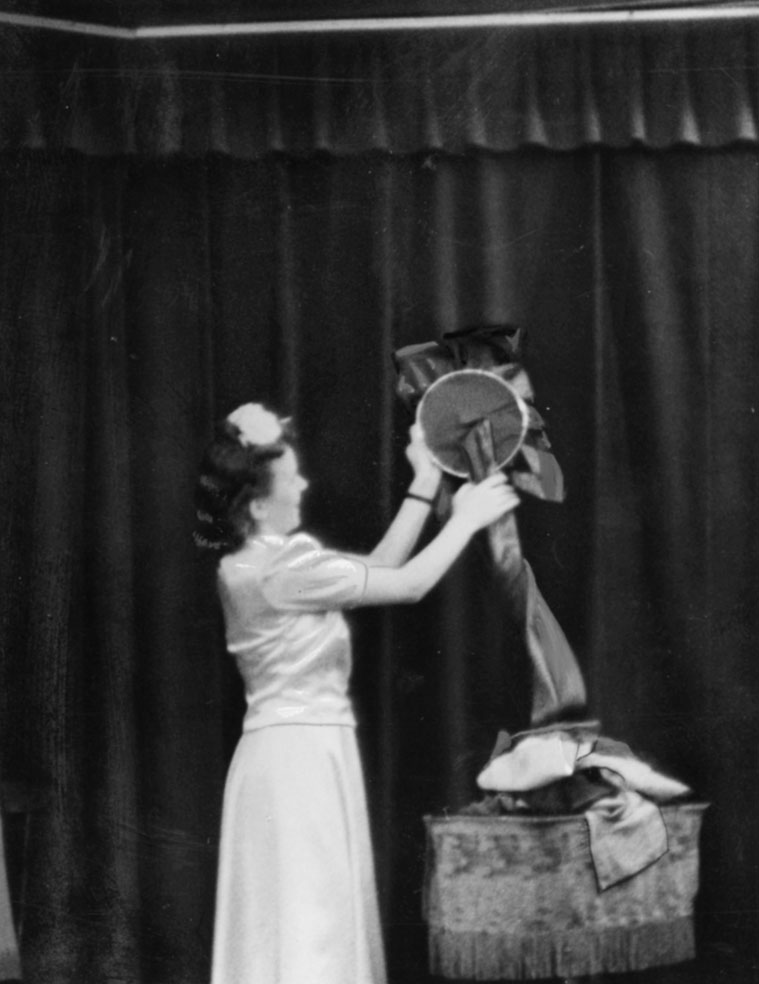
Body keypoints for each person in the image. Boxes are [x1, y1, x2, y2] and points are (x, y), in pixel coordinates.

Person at [195, 402, 519, 984]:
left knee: (296, 920)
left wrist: (424, 485)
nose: (304, 484)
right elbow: (408, 584)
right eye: (291, 477)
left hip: (284, 758)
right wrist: (465, 520)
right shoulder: (286, 568)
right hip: (301, 763)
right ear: (259, 505)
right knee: (313, 922)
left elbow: (377, 567)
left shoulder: (250, 565)